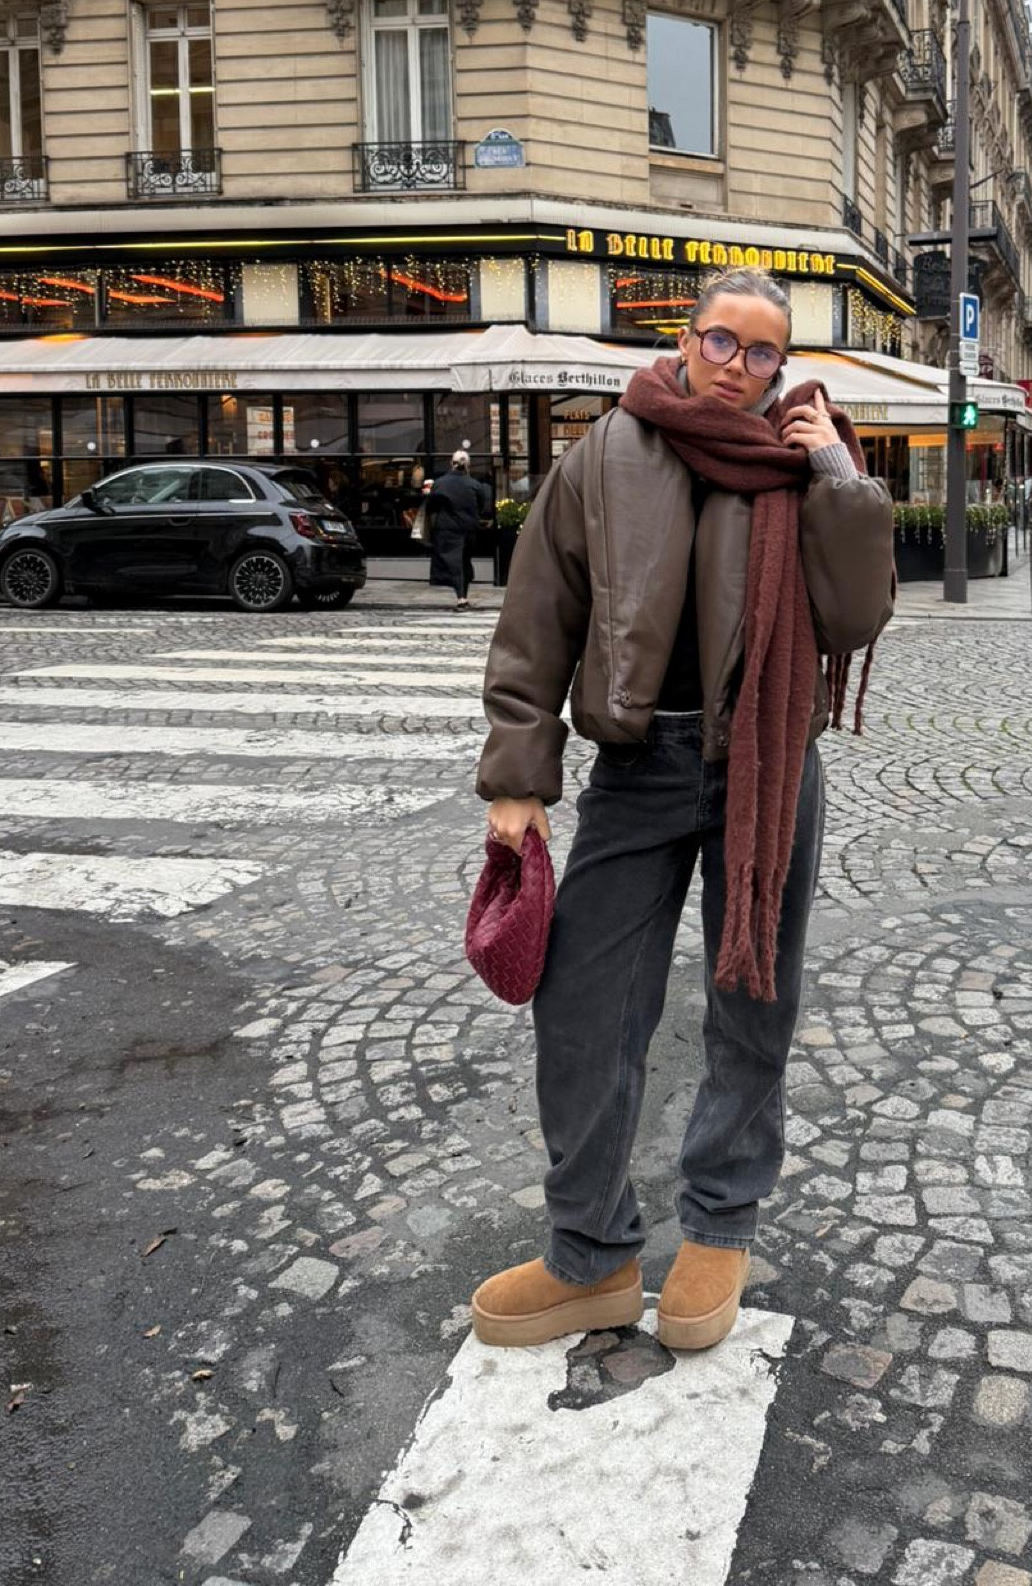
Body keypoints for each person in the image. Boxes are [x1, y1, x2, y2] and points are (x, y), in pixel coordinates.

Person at [470, 268, 894, 1354]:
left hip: (768, 761)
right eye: (723, 340)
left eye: (763, 351)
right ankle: (591, 1252)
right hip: (640, 759)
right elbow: (537, 620)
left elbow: (855, 613)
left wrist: (835, 466)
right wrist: (519, 774)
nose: (739, 366)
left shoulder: (808, 457)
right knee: (583, 1005)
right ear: (686, 335)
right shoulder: (608, 452)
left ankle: (720, 1219)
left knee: (752, 998)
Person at [426, 449, 492, 610]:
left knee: (454, 563)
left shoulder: (440, 483)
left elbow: (431, 506)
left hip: (447, 530)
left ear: (451, 463)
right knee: (464, 562)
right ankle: (463, 596)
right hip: (468, 529)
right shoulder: (474, 485)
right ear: (468, 465)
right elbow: (482, 505)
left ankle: (461, 596)